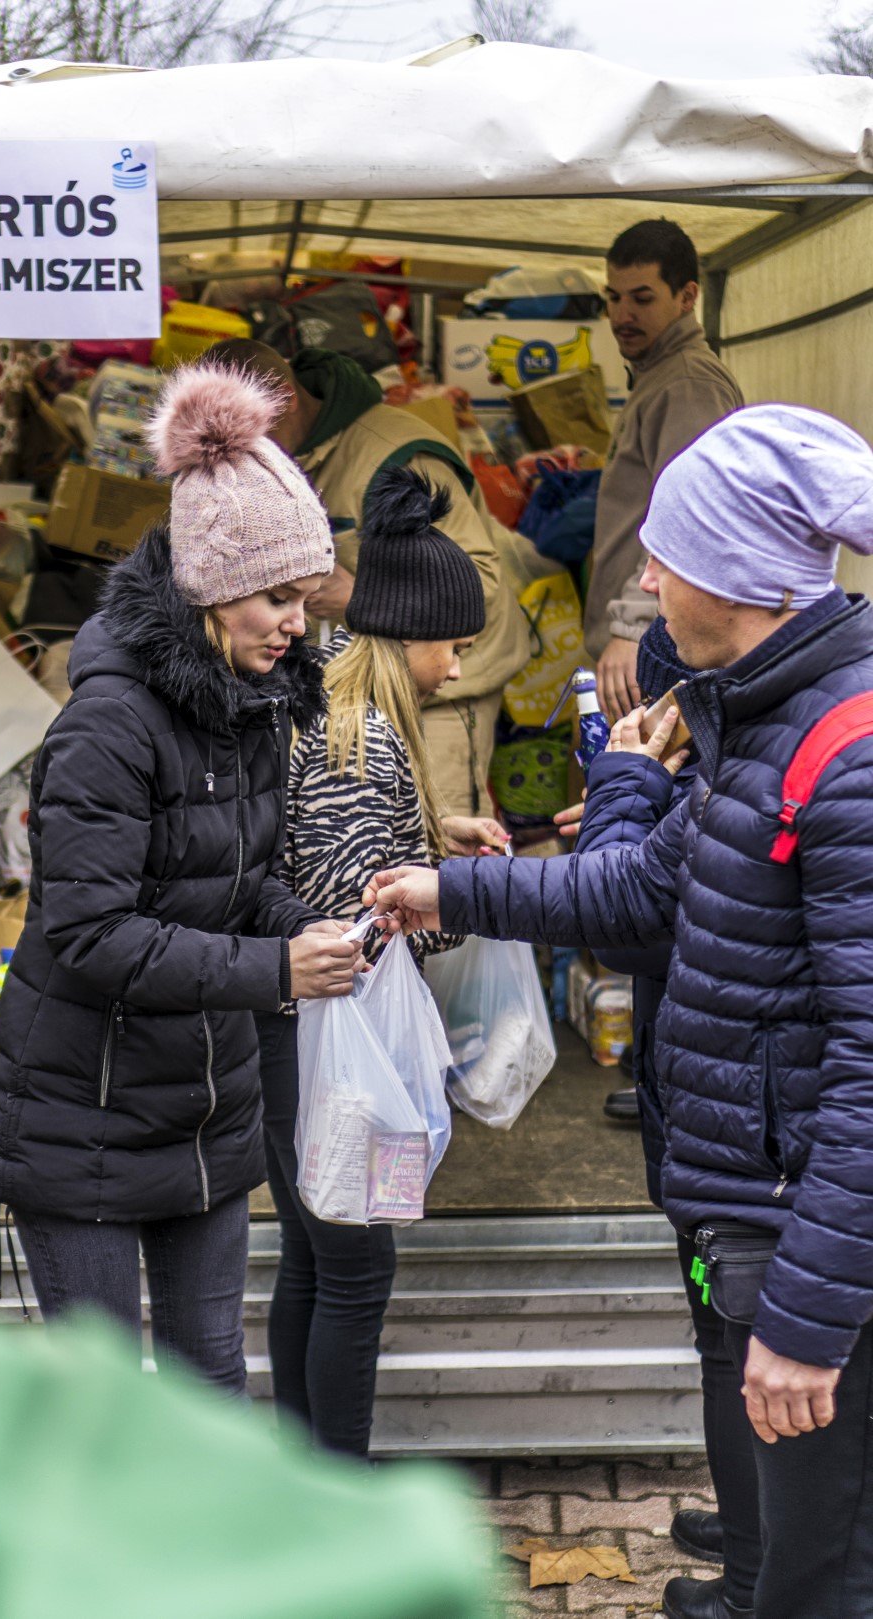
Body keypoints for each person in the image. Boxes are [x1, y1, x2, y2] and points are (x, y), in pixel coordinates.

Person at [365, 405, 873, 1619]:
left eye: (666, 553)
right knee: (796, 1561)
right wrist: (451, 884)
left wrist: (805, 1316)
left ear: (737, 576)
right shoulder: (754, 714)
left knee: (826, 1577)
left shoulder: (841, 751)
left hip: (795, 1212)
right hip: (746, 1190)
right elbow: (644, 890)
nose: (644, 576)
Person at [0, 363, 364, 1394]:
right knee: (106, 1412)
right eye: (277, 597)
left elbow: (239, 883)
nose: (296, 625)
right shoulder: (108, 725)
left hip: (201, 1109)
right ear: (210, 587)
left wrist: (329, 923)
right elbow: (93, 934)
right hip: (79, 1115)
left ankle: (211, 1562)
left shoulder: (255, 698)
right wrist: (276, 966)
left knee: (211, 1384)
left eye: (305, 601)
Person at [258, 465, 505, 1459]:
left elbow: (335, 847)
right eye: (453, 644)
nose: (456, 666)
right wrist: (463, 899)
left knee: (312, 1264)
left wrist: (431, 831)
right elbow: (370, 908)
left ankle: (293, 1481)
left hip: (287, 1035)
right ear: (408, 636)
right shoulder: (366, 736)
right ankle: (341, 1499)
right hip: (331, 1046)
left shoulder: (322, 701)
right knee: (356, 1275)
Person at [555, 617, 763, 1614]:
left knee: (728, 1331)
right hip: (708, 1096)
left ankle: (756, 1569)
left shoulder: (722, 781)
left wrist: (620, 803)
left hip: (721, 1115)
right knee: (721, 1323)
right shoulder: (733, 766)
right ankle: (756, 1520)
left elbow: (622, 918)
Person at [204, 337, 533, 818]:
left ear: (284, 397)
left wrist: (353, 597)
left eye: (249, 433)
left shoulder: (396, 456)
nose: (244, 452)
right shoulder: (285, 453)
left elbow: (478, 584)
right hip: (359, 688)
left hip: (442, 690)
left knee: (436, 845)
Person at [587, 218, 743, 721]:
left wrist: (631, 626)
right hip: (647, 647)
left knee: (636, 796)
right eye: (613, 297)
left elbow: (693, 515)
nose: (622, 314)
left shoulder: (688, 384)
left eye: (642, 298)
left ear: (687, 296)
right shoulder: (660, 376)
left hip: (654, 651)